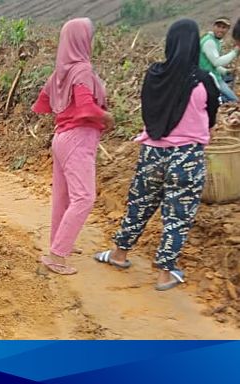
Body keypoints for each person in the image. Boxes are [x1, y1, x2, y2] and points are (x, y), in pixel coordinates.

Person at [93, 19, 219, 291]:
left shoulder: (154, 75)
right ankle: (164, 273)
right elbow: (211, 119)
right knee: (178, 215)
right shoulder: (204, 81)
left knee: (138, 205)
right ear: (195, 45)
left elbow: (147, 111)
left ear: (169, 43)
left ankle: (119, 254)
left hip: (152, 151)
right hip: (187, 157)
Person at [31, 18, 114, 275]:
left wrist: (65, 111)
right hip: (78, 139)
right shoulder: (82, 70)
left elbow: (42, 102)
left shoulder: (61, 72)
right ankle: (56, 256)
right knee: (84, 198)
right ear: (82, 40)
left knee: (63, 197)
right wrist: (106, 117)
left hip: (61, 137)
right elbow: (87, 106)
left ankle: (59, 243)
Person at [199, 17, 239, 103]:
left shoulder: (215, 41)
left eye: (224, 27)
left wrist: (226, 71)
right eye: (218, 26)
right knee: (234, 100)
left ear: (227, 30)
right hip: (209, 78)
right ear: (213, 26)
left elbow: (211, 64)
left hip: (213, 76)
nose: (220, 30)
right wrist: (235, 51)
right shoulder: (209, 42)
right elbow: (216, 62)